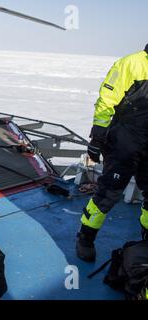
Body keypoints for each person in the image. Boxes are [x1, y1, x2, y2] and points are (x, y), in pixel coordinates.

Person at [76, 44, 148, 262]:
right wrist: (97, 137)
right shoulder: (131, 63)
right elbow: (107, 100)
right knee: (109, 193)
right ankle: (86, 237)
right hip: (123, 142)